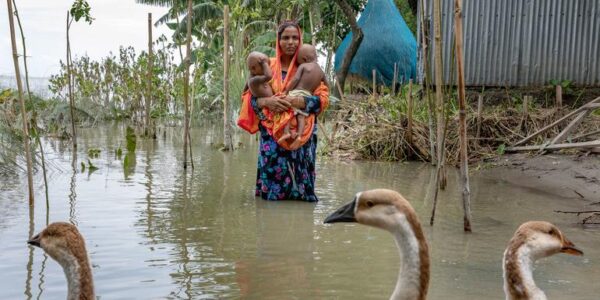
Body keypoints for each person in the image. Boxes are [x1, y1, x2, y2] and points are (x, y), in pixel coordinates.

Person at [237, 20, 329, 202]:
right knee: (273, 190)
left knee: (302, 188)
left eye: (295, 37)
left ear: (300, 40)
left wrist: (298, 101)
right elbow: (248, 97)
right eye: (286, 38)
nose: (291, 42)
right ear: (278, 42)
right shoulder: (265, 66)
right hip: (272, 136)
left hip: (302, 135)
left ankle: (301, 227)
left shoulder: (309, 67)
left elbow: (323, 100)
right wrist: (267, 101)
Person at [280, 44, 328, 149]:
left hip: (296, 93)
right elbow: (326, 86)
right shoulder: (321, 71)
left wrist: (287, 91)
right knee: (301, 116)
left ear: (305, 59)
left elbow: (296, 79)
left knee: (287, 111)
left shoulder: (304, 66)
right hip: (308, 95)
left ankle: (286, 131)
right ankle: (299, 136)